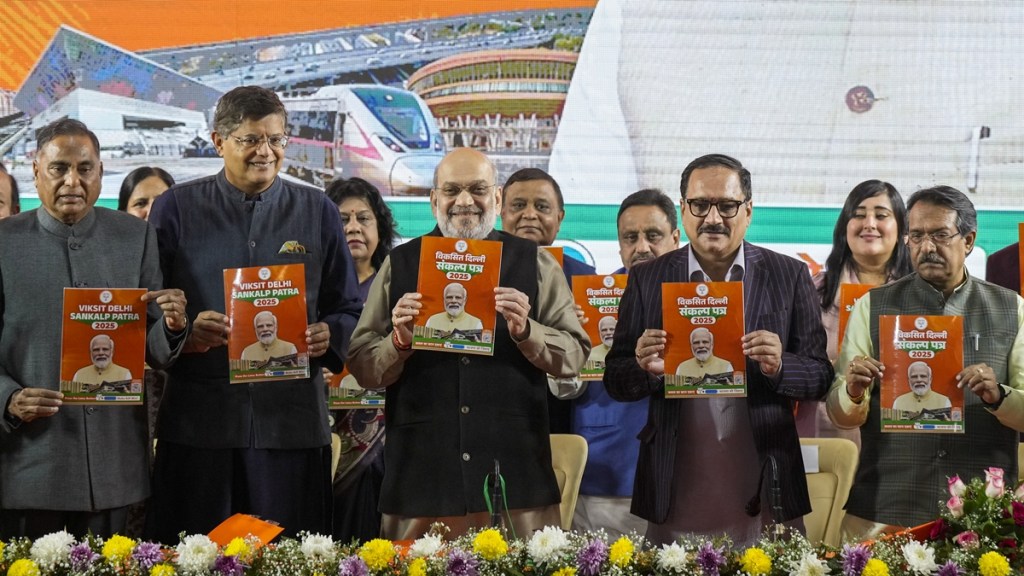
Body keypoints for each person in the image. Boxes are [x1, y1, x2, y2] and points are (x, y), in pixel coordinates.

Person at [145, 86, 362, 542]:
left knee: (291, 560)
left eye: (277, 140)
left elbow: (348, 307)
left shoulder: (317, 210)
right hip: (200, 428)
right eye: (250, 140)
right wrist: (183, 333)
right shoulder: (175, 209)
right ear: (217, 141)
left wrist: (329, 334)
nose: (266, 152)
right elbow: (145, 310)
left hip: (292, 427)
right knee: (192, 559)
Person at [347, 147, 589, 540]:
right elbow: (361, 365)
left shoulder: (536, 263)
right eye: (451, 190)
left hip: (516, 480)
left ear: (495, 198)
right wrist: (398, 341)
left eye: (477, 189)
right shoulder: (400, 264)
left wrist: (528, 331)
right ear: (433, 200)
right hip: (421, 480)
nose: (464, 201)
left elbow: (575, 356)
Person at [606, 154, 832, 547]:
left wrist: (780, 366)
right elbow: (616, 379)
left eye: (727, 206)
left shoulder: (788, 275)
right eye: (700, 205)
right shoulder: (647, 278)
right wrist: (645, 368)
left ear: (748, 210)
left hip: (764, 475)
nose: (713, 218)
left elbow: (820, 376)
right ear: (683, 210)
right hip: (676, 477)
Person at [0, 118, 188, 539]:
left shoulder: (134, 236)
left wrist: (174, 325)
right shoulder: (4, 242)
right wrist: (9, 399)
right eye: (58, 168)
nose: (72, 180)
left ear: (101, 172)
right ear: (35, 170)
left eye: (84, 169)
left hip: (113, 464)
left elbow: (153, 349)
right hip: (31, 464)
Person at [827, 185, 1024, 540]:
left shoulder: (1012, 309)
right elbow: (840, 414)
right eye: (916, 236)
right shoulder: (872, 306)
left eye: (940, 235)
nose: (927, 247)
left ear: (968, 240)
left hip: (983, 514)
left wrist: (998, 396)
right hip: (883, 510)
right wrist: (853, 391)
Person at [569, 188, 680, 537]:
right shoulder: (588, 302)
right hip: (607, 476)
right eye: (630, 238)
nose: (641, 247)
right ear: (619, 246)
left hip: (684, 475)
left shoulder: (705, 299)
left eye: (653, 236)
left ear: (676, 239)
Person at [795, 180, 912, 447]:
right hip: (825, 434)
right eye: (858, 215)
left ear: (902, 229)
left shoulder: (919, 296)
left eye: (881, 215)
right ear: (844, 227)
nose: (869, 223)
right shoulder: (813, 291)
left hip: (899, 438)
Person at [324, 176, 398, 543]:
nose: (352, 227)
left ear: (380, 229)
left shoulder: (398, 288)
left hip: (384, 440)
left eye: (363, 218)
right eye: (341, 219)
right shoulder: (311, 292)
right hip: (322, 428)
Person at [500, 167, 595, 434]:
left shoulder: (587, 280)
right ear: (502, 212)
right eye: (519, 205)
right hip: (498, 413)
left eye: (542, 206)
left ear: (560, 217)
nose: (529, 214)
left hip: (565, 419)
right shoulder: (482, 269)